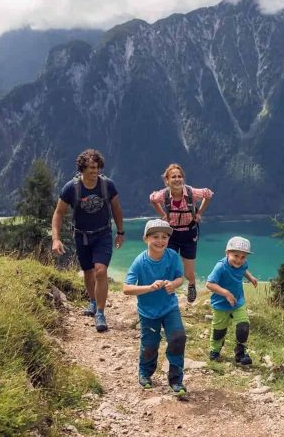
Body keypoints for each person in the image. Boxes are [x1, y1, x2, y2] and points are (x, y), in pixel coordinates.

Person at [52, 149, 125, 332]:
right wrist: (56, 239)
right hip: (81, 236)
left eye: (97, 167)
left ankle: (100, 312)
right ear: (82, 168)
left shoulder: (107, 185)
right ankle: (92, 301)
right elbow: (59, 213)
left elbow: (116, 208)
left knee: (100, 271)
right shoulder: (71, 188)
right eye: (91, 167)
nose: (95, 171)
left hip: (102, 234)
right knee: (88, 272)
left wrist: (121, 232)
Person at [123, 219, 188, 398]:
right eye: (155, 237)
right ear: (146, 239)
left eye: (165, 237)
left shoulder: (172, 256)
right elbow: (126, 288)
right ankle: (145, 374)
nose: (161, 241)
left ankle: (176, 380)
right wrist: (149, 287)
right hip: (148, 312)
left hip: (170, 308)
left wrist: (172, 285)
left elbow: (179, 278)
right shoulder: (140, 262)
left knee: (178, 338)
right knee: (150, 345)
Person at [148, 163, 213, 303]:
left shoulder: (191, 193)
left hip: (189, 234)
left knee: (188, 272)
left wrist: (200, 213)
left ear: (183, 178)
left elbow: (208, 194)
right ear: (167, 180)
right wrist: (162, 215)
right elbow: (153, 199)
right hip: (171, 235)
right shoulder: (164, 195)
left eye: (180, 176)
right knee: (168, 265)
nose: (177, 179)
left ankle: (191, 284)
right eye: (173, 177)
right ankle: (167, 293)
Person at [205, 236, 258, 365]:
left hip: (238, 302)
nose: (239, 260)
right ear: (227, 253)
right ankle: (215, 351)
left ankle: (240, 354)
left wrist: (251, 277)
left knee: (243, 327)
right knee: (219, 331)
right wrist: (226, 293)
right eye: (236, 255)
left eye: (243, 257)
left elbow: (243, 269)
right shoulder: (220, 267)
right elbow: (209, 284)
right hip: (221, 304)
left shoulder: (243, 263)